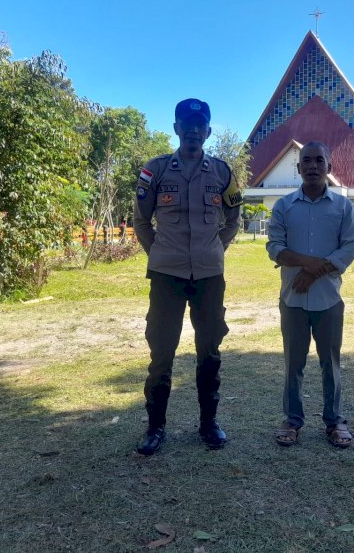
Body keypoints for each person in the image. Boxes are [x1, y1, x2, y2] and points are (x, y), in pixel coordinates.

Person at [133, 98, 242, 455]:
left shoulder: (223, 173)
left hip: (209, 276)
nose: (194, 130)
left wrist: (215, 249)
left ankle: (209, 424)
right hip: (167, 275)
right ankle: (155, 427)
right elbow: (140, 220)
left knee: (209, 350)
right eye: (187, 124)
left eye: (201, 125)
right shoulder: (156, 170)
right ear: (176, 128)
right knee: (162, 351)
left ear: (208, 131)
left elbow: (233, 219)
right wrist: (159, 252)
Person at [266, 142, 354, 448]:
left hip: (328, 300)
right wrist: (308, 264)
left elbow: (349, 246)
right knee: (293, 363)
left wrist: (314, 273)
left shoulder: (343, 207)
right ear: (298, 168)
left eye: (320, 160)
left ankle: (334, 421)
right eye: (307, 161)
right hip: (292, 300)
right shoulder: (283, 206)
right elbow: (274, 247)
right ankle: (292, 421)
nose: (313, 166)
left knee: (330, 362)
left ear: (329, 167)